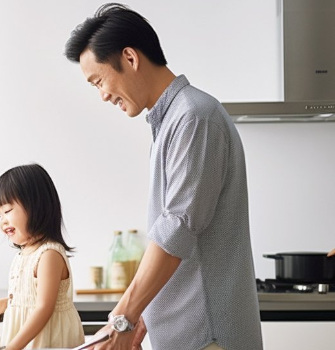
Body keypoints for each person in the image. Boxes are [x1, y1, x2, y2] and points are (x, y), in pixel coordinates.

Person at [64, 3, 263, 350]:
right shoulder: (172, 120)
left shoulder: (194, 118)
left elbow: (178, 227)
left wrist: (123, 316)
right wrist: (144, 313)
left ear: (129, 57)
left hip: (207, 336)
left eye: (99, 81)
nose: (103, 95)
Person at [0, 163, 85, 349]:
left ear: (36, 206)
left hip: (47, 342)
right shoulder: (23, 254)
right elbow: (30, 299)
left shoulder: (49, 254)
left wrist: (12, 347)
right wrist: (5, 303)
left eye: (7, 211)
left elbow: (44, 308)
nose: (2, 221)